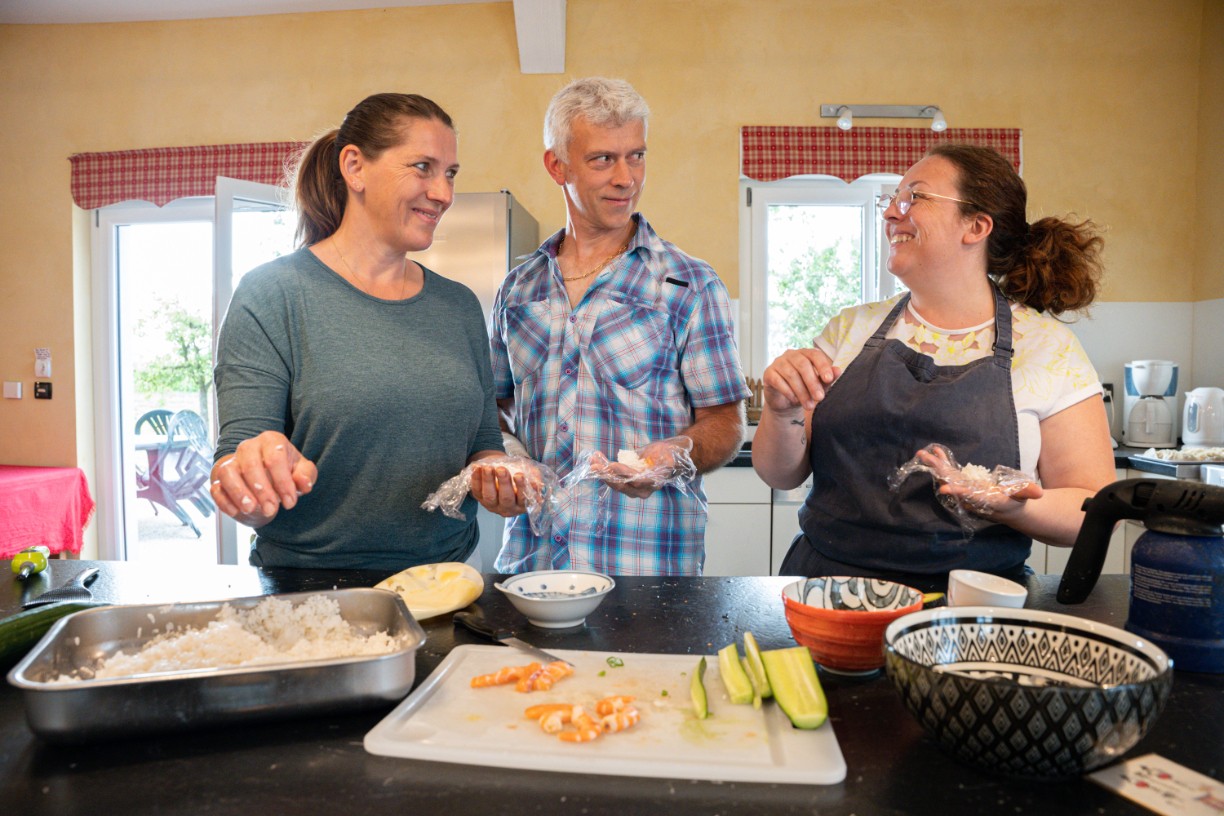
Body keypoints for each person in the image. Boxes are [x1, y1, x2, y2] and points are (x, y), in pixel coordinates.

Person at [752, 143, 1116, 591]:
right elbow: (780, 473)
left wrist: (1014, 508)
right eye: (892, 200)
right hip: (827, 591)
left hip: (972, 606)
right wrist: (780, 408)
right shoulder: (851, 330)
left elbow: (1093, 509)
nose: (890, 214)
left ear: (977, 226)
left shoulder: (1047, 348)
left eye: (915, 197)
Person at [210, 92, 527, 570]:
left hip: (447, 582)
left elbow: (483, 439)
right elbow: (239, 453)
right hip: (309, 592)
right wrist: (250, 481)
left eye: (451, 173)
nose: (443, 193)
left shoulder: (458, 305)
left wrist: (500, 475)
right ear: (355, 167)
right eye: (423, 167)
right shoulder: (272, 294)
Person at [482, 77, 749, 576]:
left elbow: (727, 424)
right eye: (603, 159)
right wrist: (510, 460)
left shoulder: (688, 284)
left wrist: (676, 452)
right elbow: (493, 414)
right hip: (532, 566)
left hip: (645, 569)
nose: (627, 178)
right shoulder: (517, 291)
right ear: (556, 165)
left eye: (637, 156)